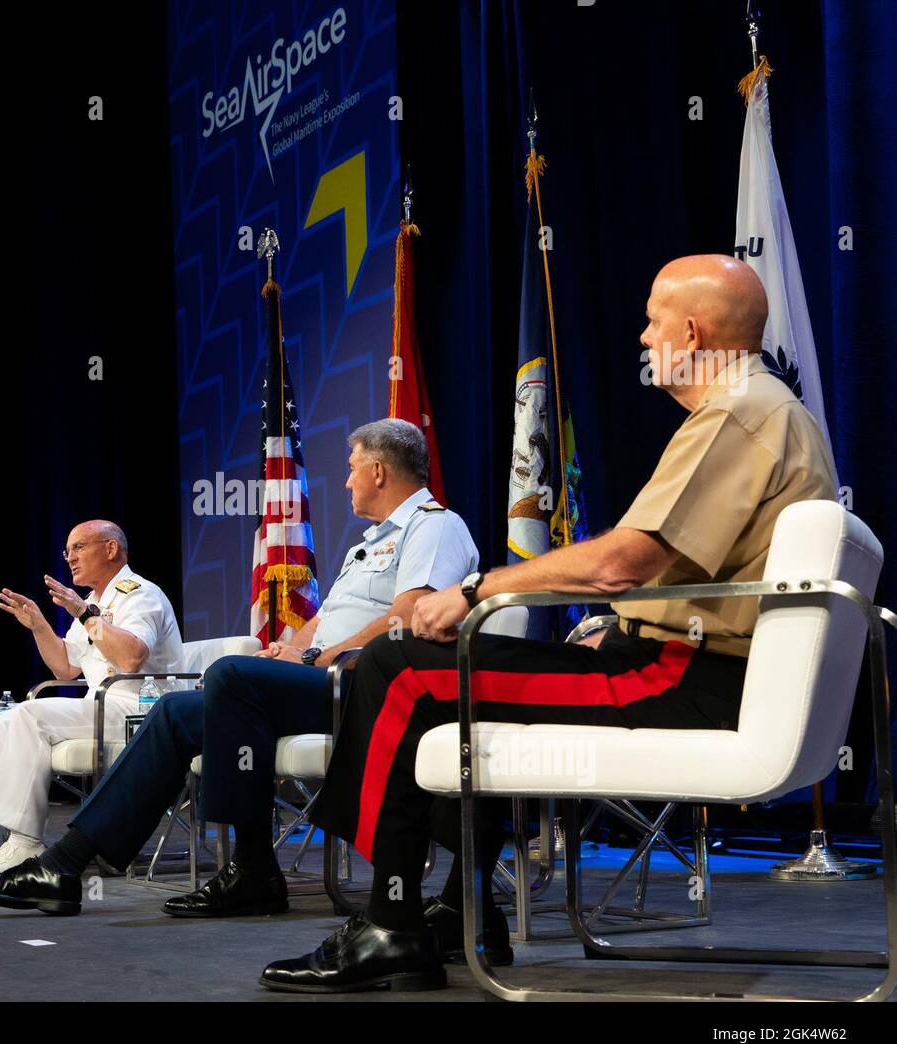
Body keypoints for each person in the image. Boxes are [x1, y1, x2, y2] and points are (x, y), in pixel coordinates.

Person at [260, 254, 839, 993]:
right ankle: (462, 908)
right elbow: (687, 573)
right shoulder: (766, 408)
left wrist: (476, 590)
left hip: (681, 682)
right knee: (445, 677)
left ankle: (390, 922)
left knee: (399, 669)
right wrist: (623, 625)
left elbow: (619, 564)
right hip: (679, 666)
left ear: (691, 332)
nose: (642, 335)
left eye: (654, 319)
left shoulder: (737, 411)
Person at [0, 418, 479, 916]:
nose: (345, 482)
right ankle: (67, 866)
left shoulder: (436, 527)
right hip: (328, 678)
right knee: (178, 713)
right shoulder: (368, 544)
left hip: (370, 687)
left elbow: (409, 617)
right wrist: (293, 648)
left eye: (350, 468)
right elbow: (320, 623)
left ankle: (251, 870)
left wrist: (314, 657)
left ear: (379, 471)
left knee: (231, 673)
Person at [0, 520, 182, 879]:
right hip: (102, 705)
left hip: (144, 712)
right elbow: (66, 668)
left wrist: (83, 614)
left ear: (110, 549)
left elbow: (131, 658)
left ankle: (25, 842)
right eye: (67, 551)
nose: (70, 558)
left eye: (79, 548)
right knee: (1, 721)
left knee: (28, 716)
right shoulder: (92, 602)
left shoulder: (139, 594)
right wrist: (40, 625)